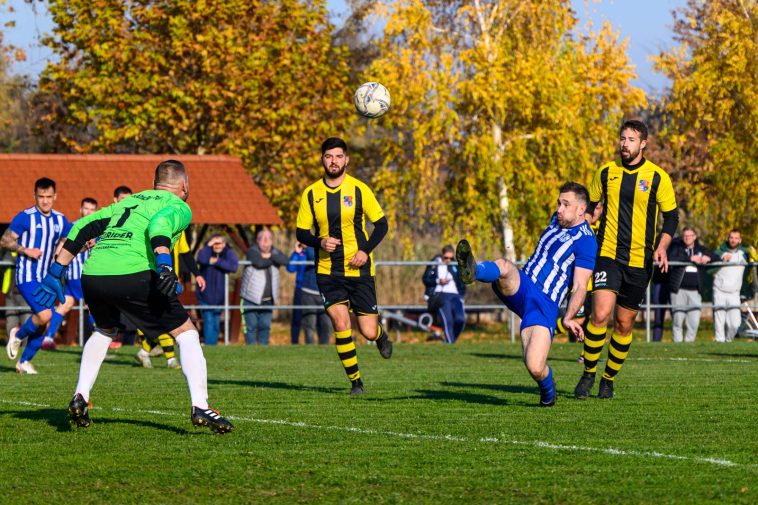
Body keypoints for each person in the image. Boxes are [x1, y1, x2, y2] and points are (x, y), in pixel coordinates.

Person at [33, 160, 233, 433]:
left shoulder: (129, 201)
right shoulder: (179, 206)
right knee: (186, 333)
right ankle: (200, 406)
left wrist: (57, 269)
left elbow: (83, 226)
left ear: (155, 184)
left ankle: (81, 396)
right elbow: (160, 225)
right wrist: (164, 264)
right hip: (133, 273)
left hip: (94, 274)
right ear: (184, 186)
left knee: (104, 330)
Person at [456, 182, 596, 406]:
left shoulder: (587, 241)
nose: (559, 209)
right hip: (524, 284)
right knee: (504, 265)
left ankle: (548, 394)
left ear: (581, 209)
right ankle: (474, 271)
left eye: (565, 204)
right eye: (559, 203)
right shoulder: (557, 220)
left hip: (544, 305)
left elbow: (580, 285)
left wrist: (569, 317)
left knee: (535, 366)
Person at [575, 119, 678, 400]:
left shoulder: (657, 177)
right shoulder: (606, 172)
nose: (624, 144)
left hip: (640, 260)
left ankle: (608, 379)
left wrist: (662, 246)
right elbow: (590, 207)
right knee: (599, 314)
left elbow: (671, 217)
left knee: (623, 324)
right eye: (622, 138)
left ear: (643, 143)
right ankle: (588, 374)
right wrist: (581, 229)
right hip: (607, 253)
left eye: (631, 139)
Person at [296, 137, 392, 395]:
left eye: (339, 156)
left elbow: (382, 225)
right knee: (340, 324)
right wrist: (320, 241)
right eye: (329, 156)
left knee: (368, 331)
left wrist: (365, 251)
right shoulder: (311, 193)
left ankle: (380, 334)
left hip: (360, 270)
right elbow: (301, 232)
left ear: (346, 160)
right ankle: (356, 382)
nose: (334, 161)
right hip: (328, 271)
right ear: (322, 159)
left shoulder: (360, 189)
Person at [2, 177, 72, 374]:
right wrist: (25, 250)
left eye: (48, 197)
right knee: (45, 314)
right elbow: (4, 240)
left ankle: (23, 362)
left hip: (46, 279)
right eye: (41, 197)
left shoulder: (60, 219)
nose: (45, 201)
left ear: (55, 196)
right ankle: (17, 335)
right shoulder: (25, 217)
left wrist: (78, 246)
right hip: (26, 277)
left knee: (44, 322)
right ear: (35, 196)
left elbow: (69, 238)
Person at [41, 197, 99, 350]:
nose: (88, 212)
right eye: (86, 208)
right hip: (78, 276)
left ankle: (48, 338)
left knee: (65, 306)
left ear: (95, 211)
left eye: (91, 209)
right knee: (93, 307)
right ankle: (99, 341)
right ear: (81, 209)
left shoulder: (97, 228)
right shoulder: (73, 226)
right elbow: (60, 246)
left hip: (82, 276)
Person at [667, 226, 717, 343]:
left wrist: (708, 258)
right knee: (678, 319)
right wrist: (690, 258)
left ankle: (689, 343)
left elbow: (716, 257)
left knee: (694, 320)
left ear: (694, 237)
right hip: (678, 290)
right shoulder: (676, 247)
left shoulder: (700, 249)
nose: (687, 238)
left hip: (695, 290)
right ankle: (677, 343)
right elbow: (671, 257)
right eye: (685, 236)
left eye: (690, 236)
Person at [240, 229, 288, 345]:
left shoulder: (275, 251)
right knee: (251, 328)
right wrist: (273, 259)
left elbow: (286, 261)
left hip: (268, 300)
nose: (266, 241)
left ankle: (263, 353)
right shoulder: (252, 251)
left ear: (272, 241)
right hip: (250, 299)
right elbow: (259, 263)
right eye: (263, 238)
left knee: (265, 327)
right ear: (258, 241)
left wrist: (269, 256)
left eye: (269, 238)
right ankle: (250, 355)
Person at [712, 230, 755, 342]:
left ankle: (728, 341)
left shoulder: (744, 253)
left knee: (735, 323)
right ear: (728, 238)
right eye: (731, 237)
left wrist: (753, 255)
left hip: (734, 292)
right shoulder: (721, 251)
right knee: (719, 320)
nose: (733, 240)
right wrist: (721, 260)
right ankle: (719, 342)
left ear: (740, 240)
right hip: (719, 290)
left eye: (736, 238)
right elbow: (709, 268)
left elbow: (753, 262)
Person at [196, 234, 239, 345]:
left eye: (219, 243)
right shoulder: (206, 251)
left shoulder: (227, 253)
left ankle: (213, 345)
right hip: (205, 295)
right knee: (209, 321)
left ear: (224, 244)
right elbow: (201, 259)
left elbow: (234, 266)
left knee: (215, 322)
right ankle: (210, 345)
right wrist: (208, 245)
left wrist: (216, 261)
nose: (217, 245)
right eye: (214, 243)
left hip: (220, 297)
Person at [110, 186, 137, 349]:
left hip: (131, 270)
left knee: (132, 307)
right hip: (111, 272)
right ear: (115, 200)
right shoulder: (108, 218)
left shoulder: (137, 220)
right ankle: (113, 339)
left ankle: (129, 342)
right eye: (122, 200)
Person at [422, 245, 466, 343]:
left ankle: (452, 340)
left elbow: (461, 282)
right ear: (442, 255)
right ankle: (450, 344)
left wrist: (462, 296)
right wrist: (438, 281)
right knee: (448, 320)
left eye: (451, 258)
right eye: (446, 258)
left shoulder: (455, 265)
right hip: (440, 295)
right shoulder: (434, 263)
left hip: (455, 295)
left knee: (460, 319)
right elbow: (426, 279)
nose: (448, 260)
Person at [298, 245, 333, 344]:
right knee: (309, 324)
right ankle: (310, 348)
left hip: (326, 292)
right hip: (308, 292)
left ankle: (325, 348)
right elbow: (312, 255)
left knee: (326, 324)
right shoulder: (310, 245)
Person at [2, 250, 32, 338]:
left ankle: (25, 347)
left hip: (25, 294)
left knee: (26, 322)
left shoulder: (32, 249)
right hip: (10, 293)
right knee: (10, 323)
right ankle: (10, 347)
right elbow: (6, 261)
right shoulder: (10, 252)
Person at [286, 241, 307, 344]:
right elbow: (290, 268)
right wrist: (296, 253)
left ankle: (320, 343)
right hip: (300, 289)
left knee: (315, 319)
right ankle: (294, 342)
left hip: (314, 290)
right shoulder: (299, 254)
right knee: (296, 318)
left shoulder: (315, 252)